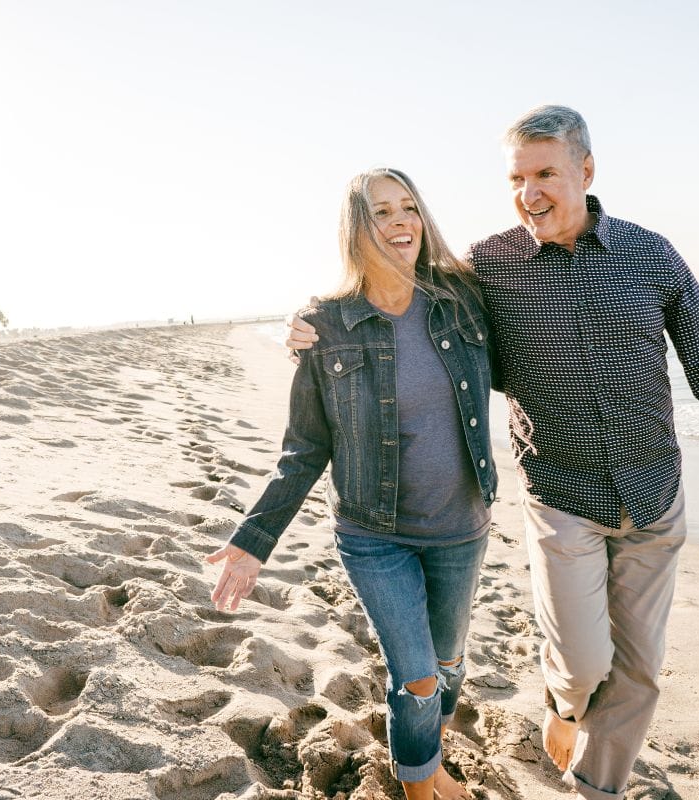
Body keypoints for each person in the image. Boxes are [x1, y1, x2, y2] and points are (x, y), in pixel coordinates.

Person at [285, 106, 699, 800]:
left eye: (546, 174)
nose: (530, 193)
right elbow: (400, 295)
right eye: (517, 179)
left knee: (640, 670)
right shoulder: (488, 267)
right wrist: (318, 322)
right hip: (563, 499)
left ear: (586, 170)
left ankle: (594, 787)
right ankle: (562, 701)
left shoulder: (650, 254)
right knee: (585, 667)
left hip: (655, 494)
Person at [208, 168, 497, 800]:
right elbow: (305, 448)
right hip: (374, 535)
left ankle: (433, 753)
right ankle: (420, 784)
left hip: (461, 529)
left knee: (447, 668)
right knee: (417, 677)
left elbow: (532, 335)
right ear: (356, 229)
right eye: (381, 212)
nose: (400, 222)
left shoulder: (462, 298)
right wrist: (253, 541)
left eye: (409, 208)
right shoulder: (327, 325)